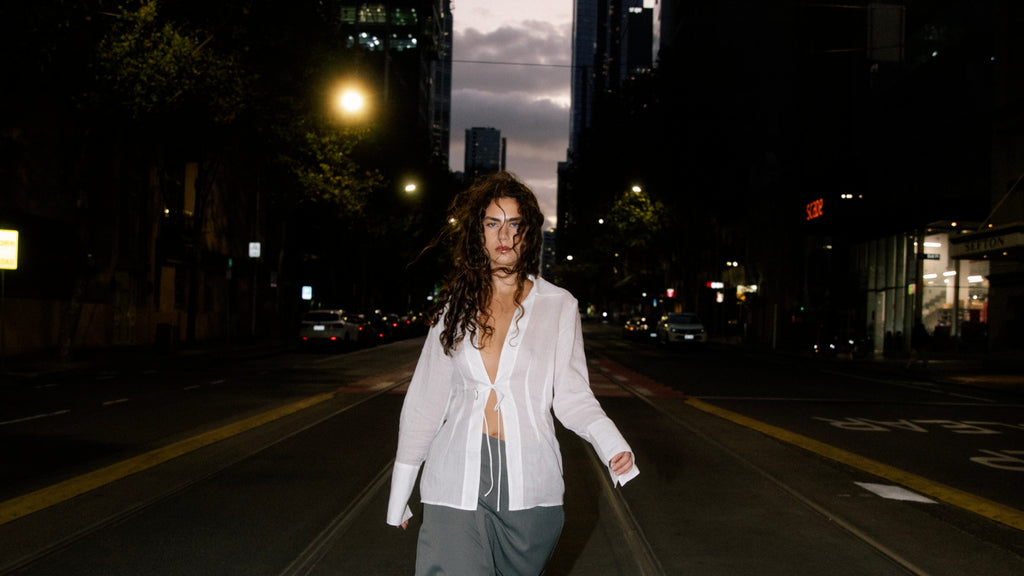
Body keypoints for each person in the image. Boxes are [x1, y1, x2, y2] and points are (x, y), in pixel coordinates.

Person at [386, 171, 638, 575]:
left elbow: (572, 395)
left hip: (531, 490)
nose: (504, 235)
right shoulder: (454, 307)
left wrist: (612, 444)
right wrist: (400, 492)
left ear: (529, 233)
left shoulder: (559, 305)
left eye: (514, 224)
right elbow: (425, 403)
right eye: (492, 223)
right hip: (455, 481)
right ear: (478, 233)